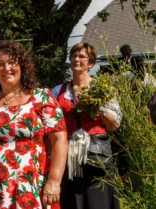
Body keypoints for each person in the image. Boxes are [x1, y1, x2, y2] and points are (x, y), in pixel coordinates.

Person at [0, 41, 68, 209]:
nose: (6, 68)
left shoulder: (41, 97)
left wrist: (54, 180)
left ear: (22, 66)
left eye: (12, 62)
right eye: (0, 64)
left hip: (31, 184)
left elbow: (59, 140)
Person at [52, 42, 122, 209]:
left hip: (97, 157)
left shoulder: (103, 89)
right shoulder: (57, 91)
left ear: (90, 63)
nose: (77, 59)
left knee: (98, 202)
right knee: (72, 201)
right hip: (69, 157)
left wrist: (99, 108)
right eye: (74, 56)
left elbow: (114, 125)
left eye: (82, 56)